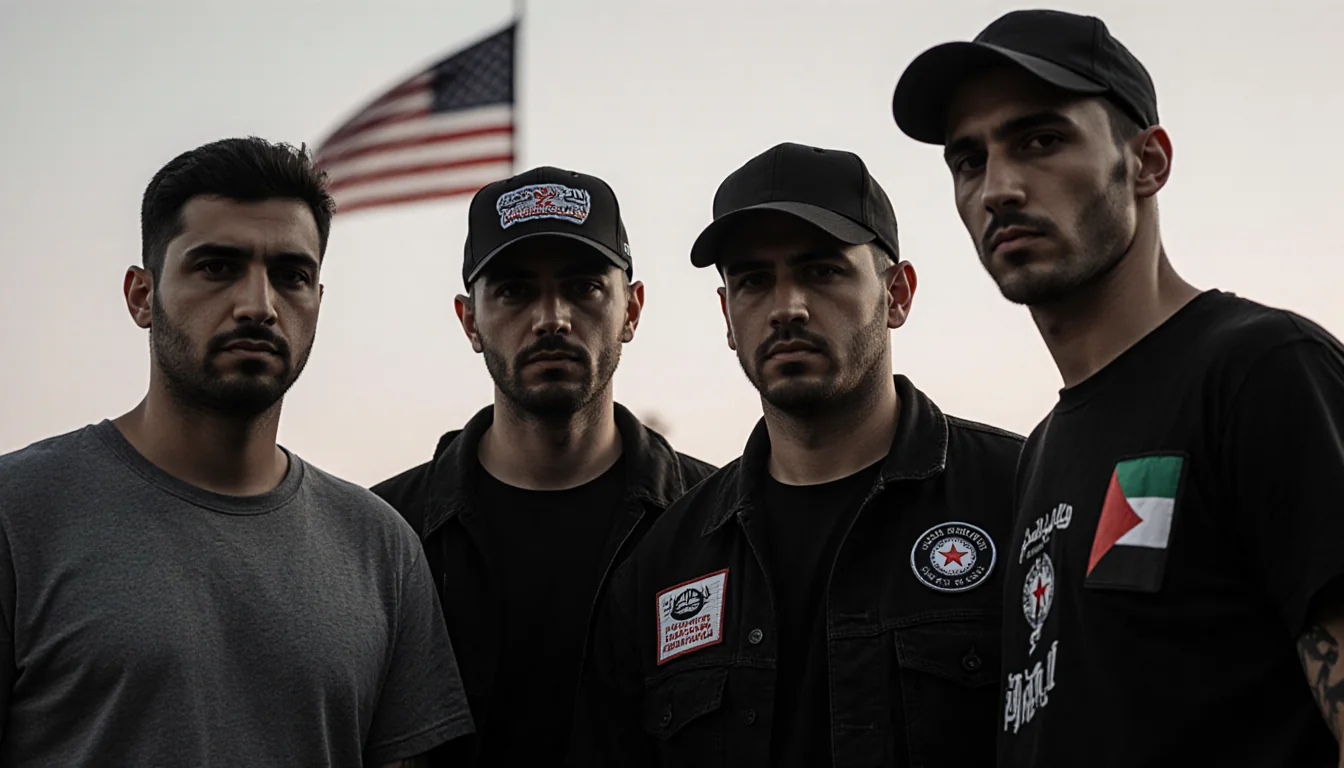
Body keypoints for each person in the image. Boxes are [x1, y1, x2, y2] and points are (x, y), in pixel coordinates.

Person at [892, 9, 1344, 766]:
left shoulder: (1263, 370)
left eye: (1041, 140)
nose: (999, 187)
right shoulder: (1041, 452)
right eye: (969, 161)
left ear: (1147, 162)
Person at [0, 137, 472, 766]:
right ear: (142, 295)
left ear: (319, 303)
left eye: (291, 275)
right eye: (217, 267)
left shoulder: (381, 547)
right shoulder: (19, 512)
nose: (259, 306)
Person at [567, 141, 1023, 767]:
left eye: (823, 270)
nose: (787, 307)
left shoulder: (1020, 497)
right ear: (728, 316)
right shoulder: (663, 564)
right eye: (754, 280)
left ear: (897, 294)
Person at [370, 165, 716, 767]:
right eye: (513, 290)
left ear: (631, 310)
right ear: (468, 319)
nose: (551, 317)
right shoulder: (385, 536)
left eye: (584, 287)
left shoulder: (719, 522)